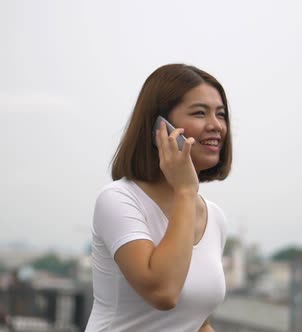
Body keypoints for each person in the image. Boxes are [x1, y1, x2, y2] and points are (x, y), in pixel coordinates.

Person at [86, 64, 232, 332]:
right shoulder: (118, 200)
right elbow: (163, 292)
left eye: (221, 114)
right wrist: (186, 191)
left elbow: (195, 322)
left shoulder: (215, 218)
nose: (216, 126)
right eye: (200, 113)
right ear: (159, 127)